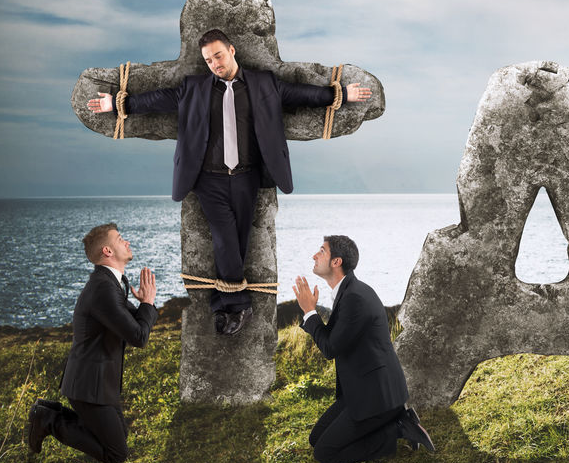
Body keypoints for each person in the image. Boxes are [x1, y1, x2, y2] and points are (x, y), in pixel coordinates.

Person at [90, 28, 371, 337]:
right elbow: (156, 100)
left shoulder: (264, 84)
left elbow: (302, 94)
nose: (214, 64)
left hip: (248, 176)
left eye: (218, 56)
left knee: (238, 242)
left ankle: (225, 301)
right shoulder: (193, 88)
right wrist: (117, 105)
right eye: (208, 60)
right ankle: (234, 305)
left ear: (232, 50)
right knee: (224, 238)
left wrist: (341, 95)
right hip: (208, 180)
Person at [292, 235, 434, 463]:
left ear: (336, 262)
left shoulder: (355, 297)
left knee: (324, 454)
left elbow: (330, 348)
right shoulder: (348, 292)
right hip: (362, 390)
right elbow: (337, 339)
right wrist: (313, 314)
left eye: (321, 251)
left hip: (377, 397)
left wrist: (309, 311)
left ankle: (398, 429)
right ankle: (399, 419)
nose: (314, 256)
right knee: (315, 439)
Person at [27, 223, 158, 463]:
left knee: (120, 436)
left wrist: (145, 306)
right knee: (116, 454)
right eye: (120, 239)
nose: (127, 242)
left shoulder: (112, 283)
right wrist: (148, 304)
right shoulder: (103, 289)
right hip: (88, 387)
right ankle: (47, 419)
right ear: (107, 251)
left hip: (100, 383)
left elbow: (133, 323)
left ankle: (50, 412)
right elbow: (139, 336)